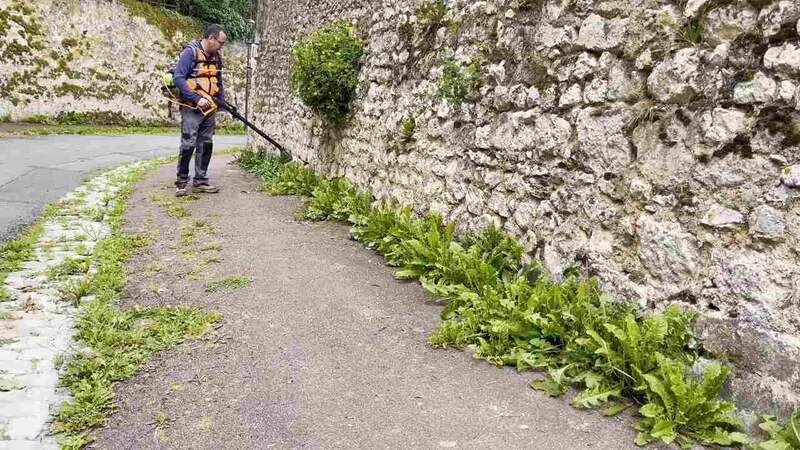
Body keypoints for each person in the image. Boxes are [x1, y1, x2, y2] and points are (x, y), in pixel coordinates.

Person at [172, 24, 227, 196]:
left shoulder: (216, 57)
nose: (221, 46)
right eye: (220, 43)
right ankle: (181, 182)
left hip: (210, 107)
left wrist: (221, 103)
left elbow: (218, 80)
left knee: (206, 143)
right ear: (211, 38)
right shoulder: (190, 53)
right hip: (191, 107)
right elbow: (178, 78)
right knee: (188, 144)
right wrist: (197, 99)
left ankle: (201, 180)